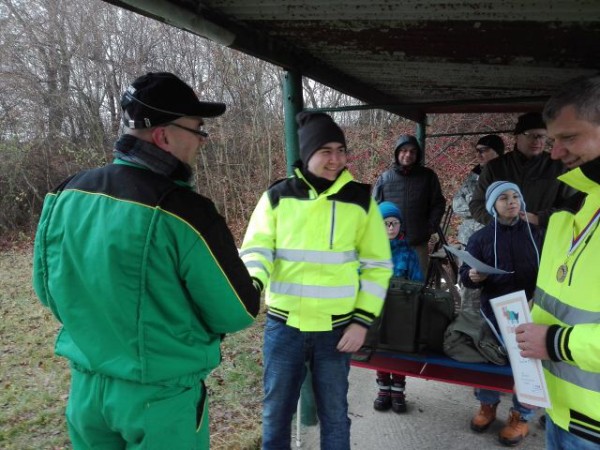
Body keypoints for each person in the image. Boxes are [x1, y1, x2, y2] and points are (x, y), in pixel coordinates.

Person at [32, 72, 261, 449]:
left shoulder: (64, 193)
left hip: (86, 394)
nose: (202, 141)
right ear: (164, 135)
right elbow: (236, 311)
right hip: (161, 401)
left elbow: (48, 291)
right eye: (197, 129)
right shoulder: (186, 212)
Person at [240, 111, 393, 450]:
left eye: (341, 150)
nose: (336, 159)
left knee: (335, 414)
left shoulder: (360, 200)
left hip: (337, 332)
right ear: (308, 153)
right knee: (275, 413)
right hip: (284, 328)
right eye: (326, 151)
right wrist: (251, 284)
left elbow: (378, 266)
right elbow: (257, 250)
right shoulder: (277, 197)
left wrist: (362, 322)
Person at [515, 74, 600, 450]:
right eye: (552, 140)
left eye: (569, 138)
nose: (554, 152)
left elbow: (557, 333)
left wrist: (555, 341)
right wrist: (531, 372)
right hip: (560, 413)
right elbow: (553, 302)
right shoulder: (573, 204)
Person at [459, 181, 543, 446]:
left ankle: (521, 415)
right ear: (492, 206)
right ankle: (487, 405)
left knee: (527, 366)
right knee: (489, 360)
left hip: (532, 311)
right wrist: (473, 276)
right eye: (503, 198)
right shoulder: (480, 238)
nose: (511, 201)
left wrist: (537, 300)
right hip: (494, 312)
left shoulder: (536, 234)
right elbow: (465, 277)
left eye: (515, 196)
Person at [469, 112, 573, 229]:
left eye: (542, 136)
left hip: (546, 238)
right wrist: (501, 221)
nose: (537, 140)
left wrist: (539, 218)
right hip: (504, 237)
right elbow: (477, 204)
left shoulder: (560, 167)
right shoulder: (495, 167)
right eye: (530, 135)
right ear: (517, 136)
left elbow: (572, 206)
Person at [372, 201, 424, 414]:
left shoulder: (408, 253)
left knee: (398, 350)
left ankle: (398, 391)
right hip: (378, 310)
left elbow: (418, 280)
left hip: (402, 311)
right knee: (381, 349)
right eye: (386, 223)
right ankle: (383, 389)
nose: (391, 228)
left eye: (394, 223)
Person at [372, 134, 446, 274]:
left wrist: (430, 227)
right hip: (391, 244)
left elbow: (438, 203)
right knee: (392, 286)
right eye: (404, 150)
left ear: (417, 154)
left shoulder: (428, 176)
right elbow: (375, 208)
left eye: (412, 151)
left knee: (417, 287)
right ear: (397, 153)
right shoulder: (385, 178)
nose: (408, 154)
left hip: (418, 243)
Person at [453, 135, 504, 310]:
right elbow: (456, 205)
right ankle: (468, 331)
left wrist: (479, 209)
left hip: (499, 242)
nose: (479, 155)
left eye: (483, 150)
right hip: (470, 242)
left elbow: (510, 208)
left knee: (498, 293)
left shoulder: (507, 174)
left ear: (497, 152)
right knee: (470, 291)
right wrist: (485, 210)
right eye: (477, 151)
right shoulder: (473, 176)